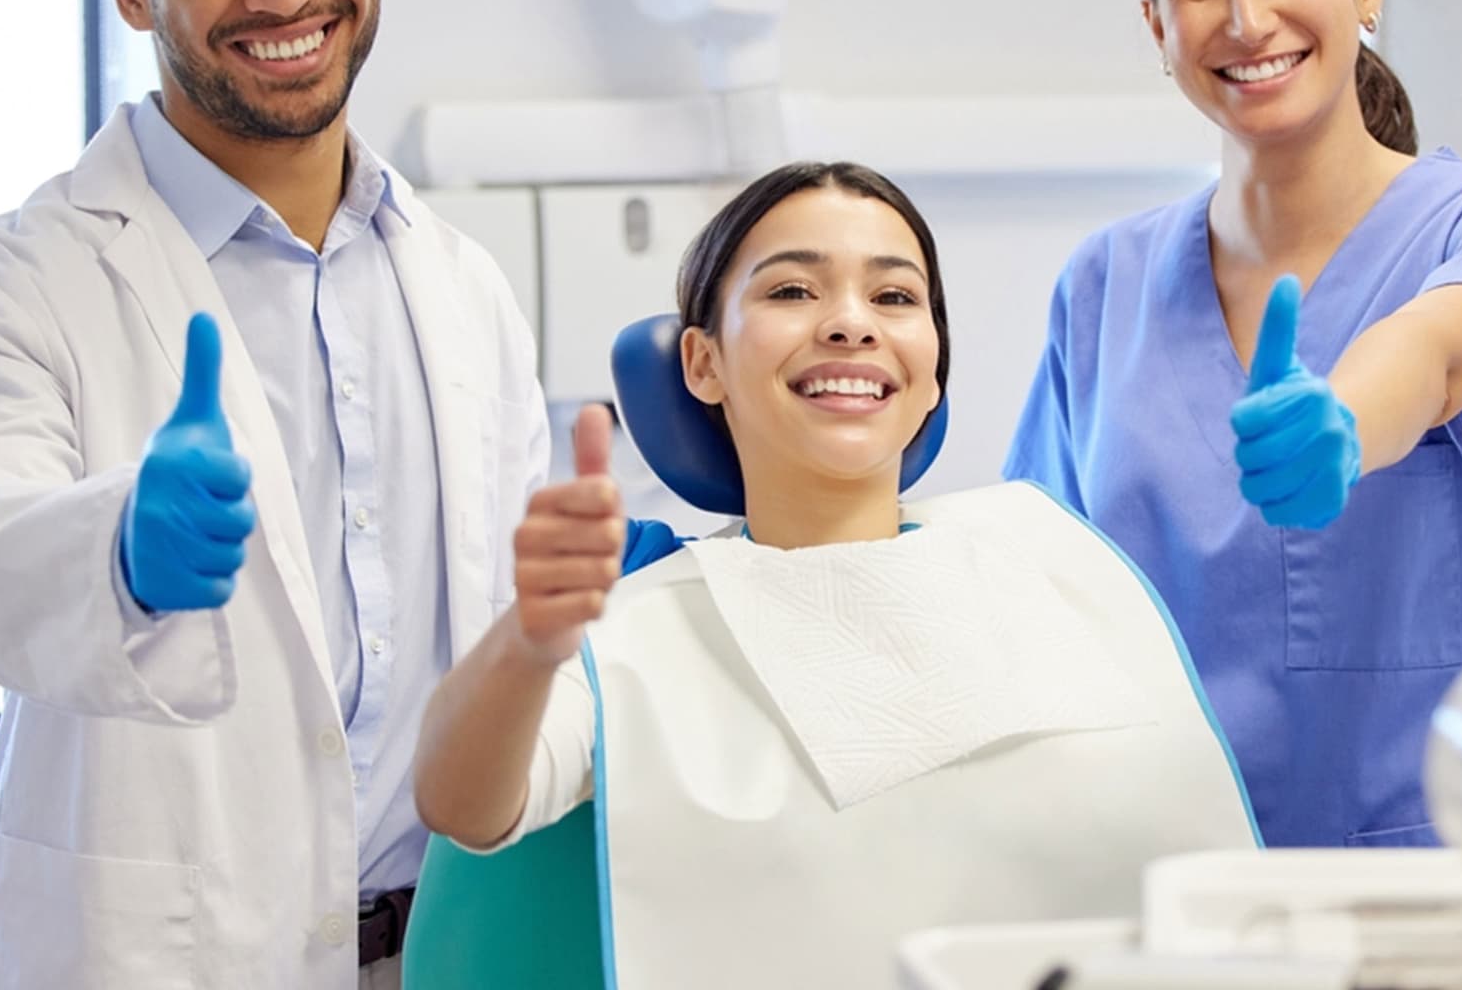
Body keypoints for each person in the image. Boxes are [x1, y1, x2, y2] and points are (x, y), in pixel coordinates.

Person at [0, 0, 547, 989]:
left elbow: (497, 645)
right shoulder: (17, 276)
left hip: (446, 949)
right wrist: (117, 546)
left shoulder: (462, 283)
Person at [408, 162, 1259, 990]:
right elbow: (469, 808)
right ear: (701, 364)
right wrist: (529, 641)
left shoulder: (1060, 564)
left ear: (931, 374)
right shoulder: (635, 638)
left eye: (894, 296)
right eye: (791, 292)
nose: (851, 323)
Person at [1004, 0, 1462, 849]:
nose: (1247, 17)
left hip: (1433, 890)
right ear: (1156, 25)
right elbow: (1031, 586)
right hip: (1162, 879)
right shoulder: (1104, 284)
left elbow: (1441, 347)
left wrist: (1350, 415)